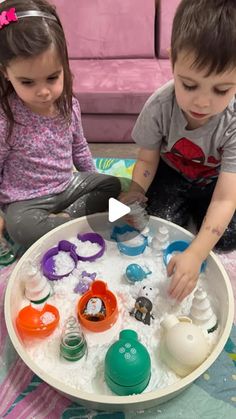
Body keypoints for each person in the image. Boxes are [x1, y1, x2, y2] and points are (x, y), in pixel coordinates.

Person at [120, 0, 236, 302]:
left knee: (226, 238)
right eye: (189, 85)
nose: (202, 102)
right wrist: (135, 191)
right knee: (158, 220)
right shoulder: (159, 106)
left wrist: (197, 252)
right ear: (173, 64)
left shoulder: (233, 122)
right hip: (172, 174)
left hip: (215, 183)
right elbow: (147, 159)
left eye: (221, 90)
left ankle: (200, 217)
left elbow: (226, 196)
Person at [0, 0, 121, 249]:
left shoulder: (69, 105)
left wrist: (93, 177)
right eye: (27, 82)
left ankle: (66, 221)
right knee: (20, 227)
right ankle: (73, 224)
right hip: (27, 200)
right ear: (5, 73)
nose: (43, 91)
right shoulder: (5, 118)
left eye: (52, 78)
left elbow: (79, 148)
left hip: (68, 186)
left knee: (112, 184)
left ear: (64, 65)